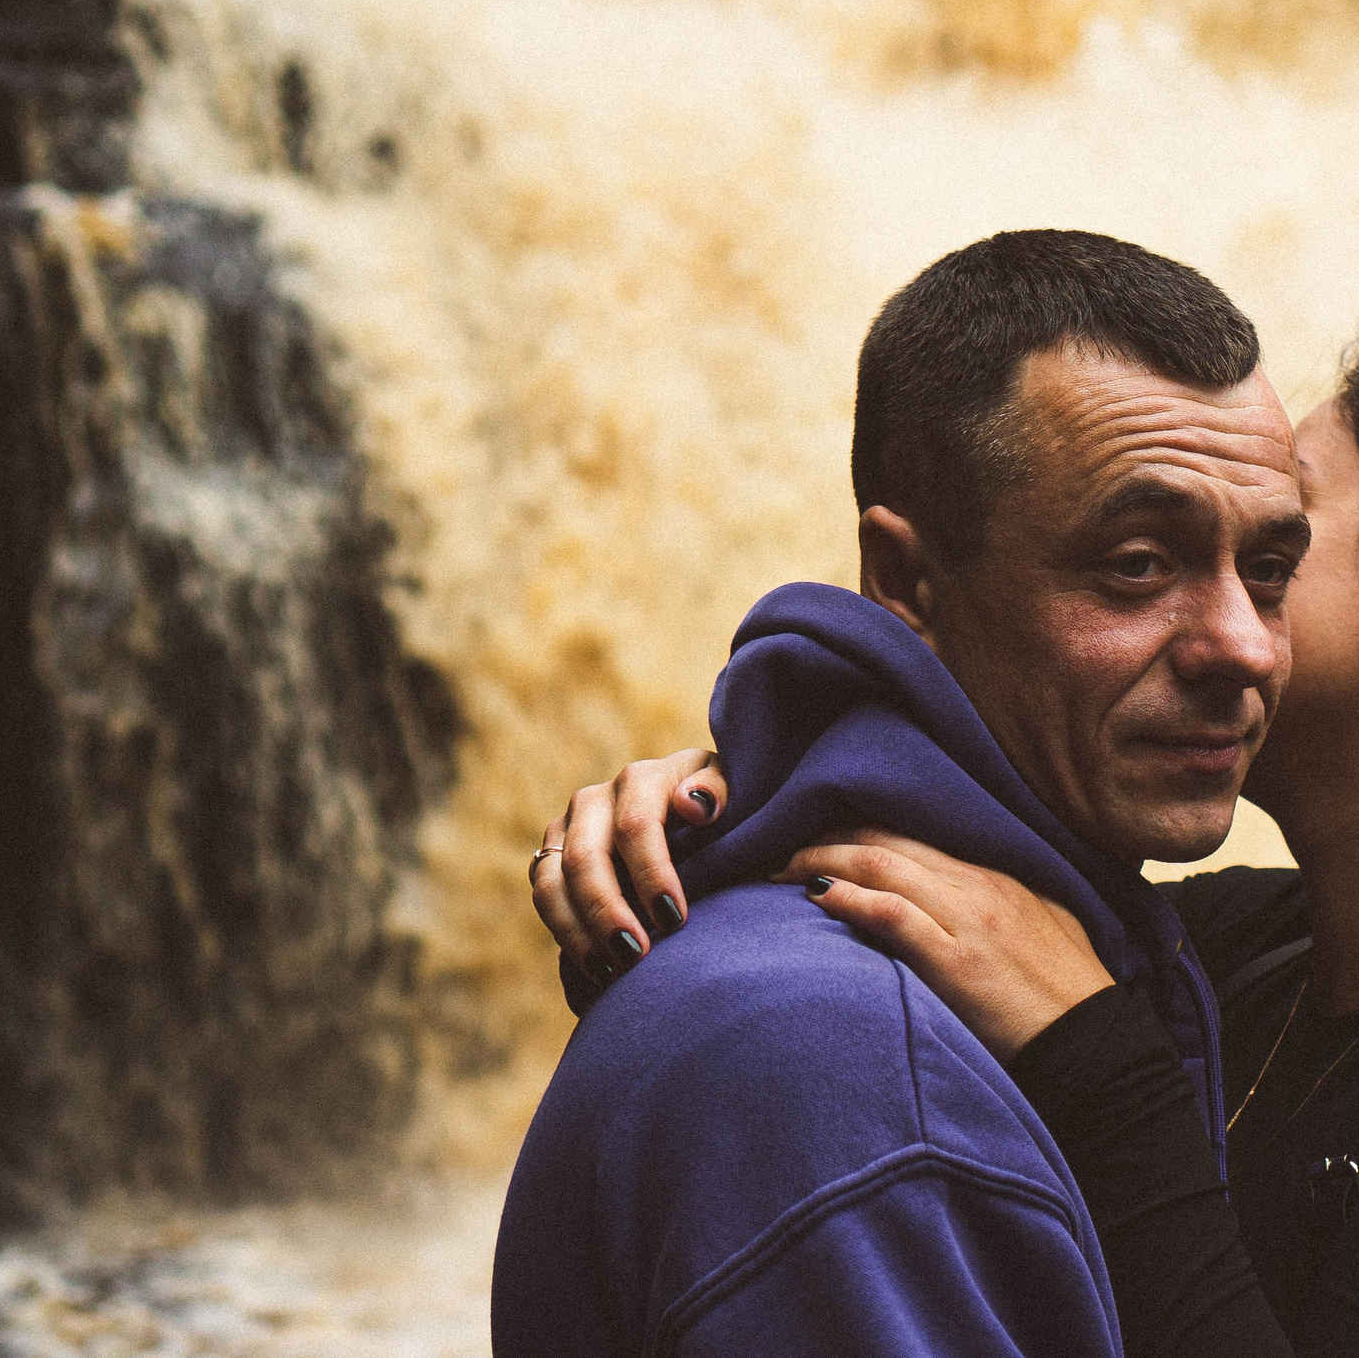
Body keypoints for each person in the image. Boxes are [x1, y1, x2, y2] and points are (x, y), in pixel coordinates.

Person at [546, 337, 1359, 1356]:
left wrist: (1097, 1069)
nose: (1227, 618)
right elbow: (914, 894)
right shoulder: (1246, 949)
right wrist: (718, 808)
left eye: (1280, 545)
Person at [493, 230, 1315, 1356]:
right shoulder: (858, 1078)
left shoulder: (1099, 952)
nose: (1243, 648)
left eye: (1268, 571)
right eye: (1136, 564)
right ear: (907, 584)